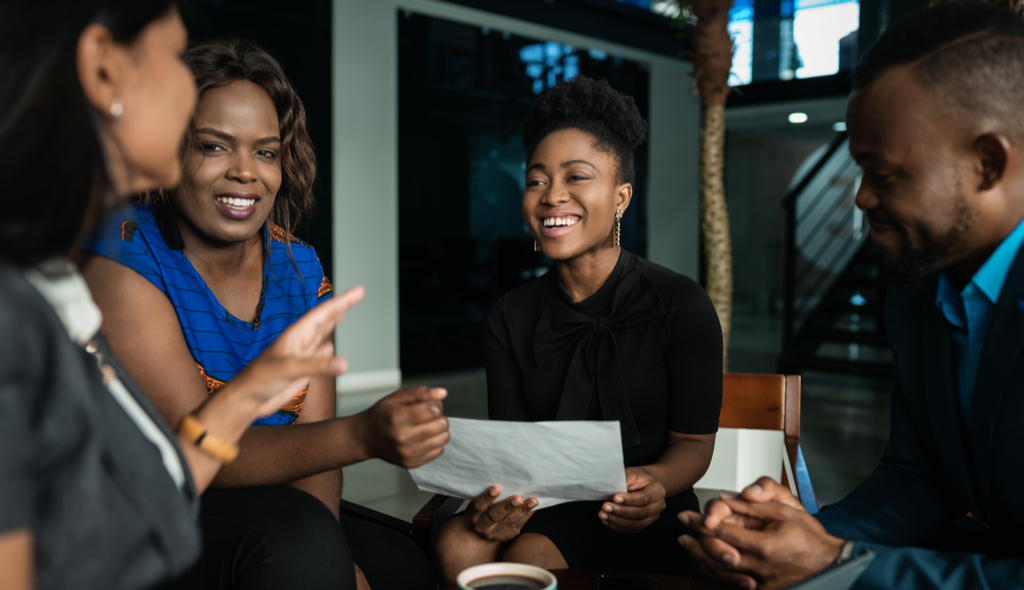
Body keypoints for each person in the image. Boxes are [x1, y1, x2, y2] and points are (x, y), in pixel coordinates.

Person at [0, 2, 374, 589]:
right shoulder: (22, 313)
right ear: (103, 72)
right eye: (176, 58)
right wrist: (361, 435)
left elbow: (160, 476)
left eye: (266, 149)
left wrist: (251, 389)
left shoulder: (53, 282)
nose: (191, 83)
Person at [78, 37, 445, 590]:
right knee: (297, 543)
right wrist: (362, 436)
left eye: (266, 151)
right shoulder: (123, 258)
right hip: (153, 507)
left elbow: (313, 444)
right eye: (214, 147)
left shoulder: (297, 265)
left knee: (405, 565)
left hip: (273, 506)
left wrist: (330, 549)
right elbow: (202, 451)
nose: (246, 172)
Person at [680, 3, 1024, 589]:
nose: (861, 198)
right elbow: (920, 477)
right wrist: (802, 535)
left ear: (987, 163)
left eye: (882, 173)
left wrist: (839, 566)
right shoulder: (916, 290)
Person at [435, 76, 724, 587]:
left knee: (530, 555)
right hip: (547, 497)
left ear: (621, 196)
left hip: (645, 503)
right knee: (456, 540)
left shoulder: (681, 302)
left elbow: (694, 443)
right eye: (537, 180)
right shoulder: (509, 315)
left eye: (577, 177)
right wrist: (494, 502)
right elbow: (515, 448)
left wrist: (654, 482)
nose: (552, 196)